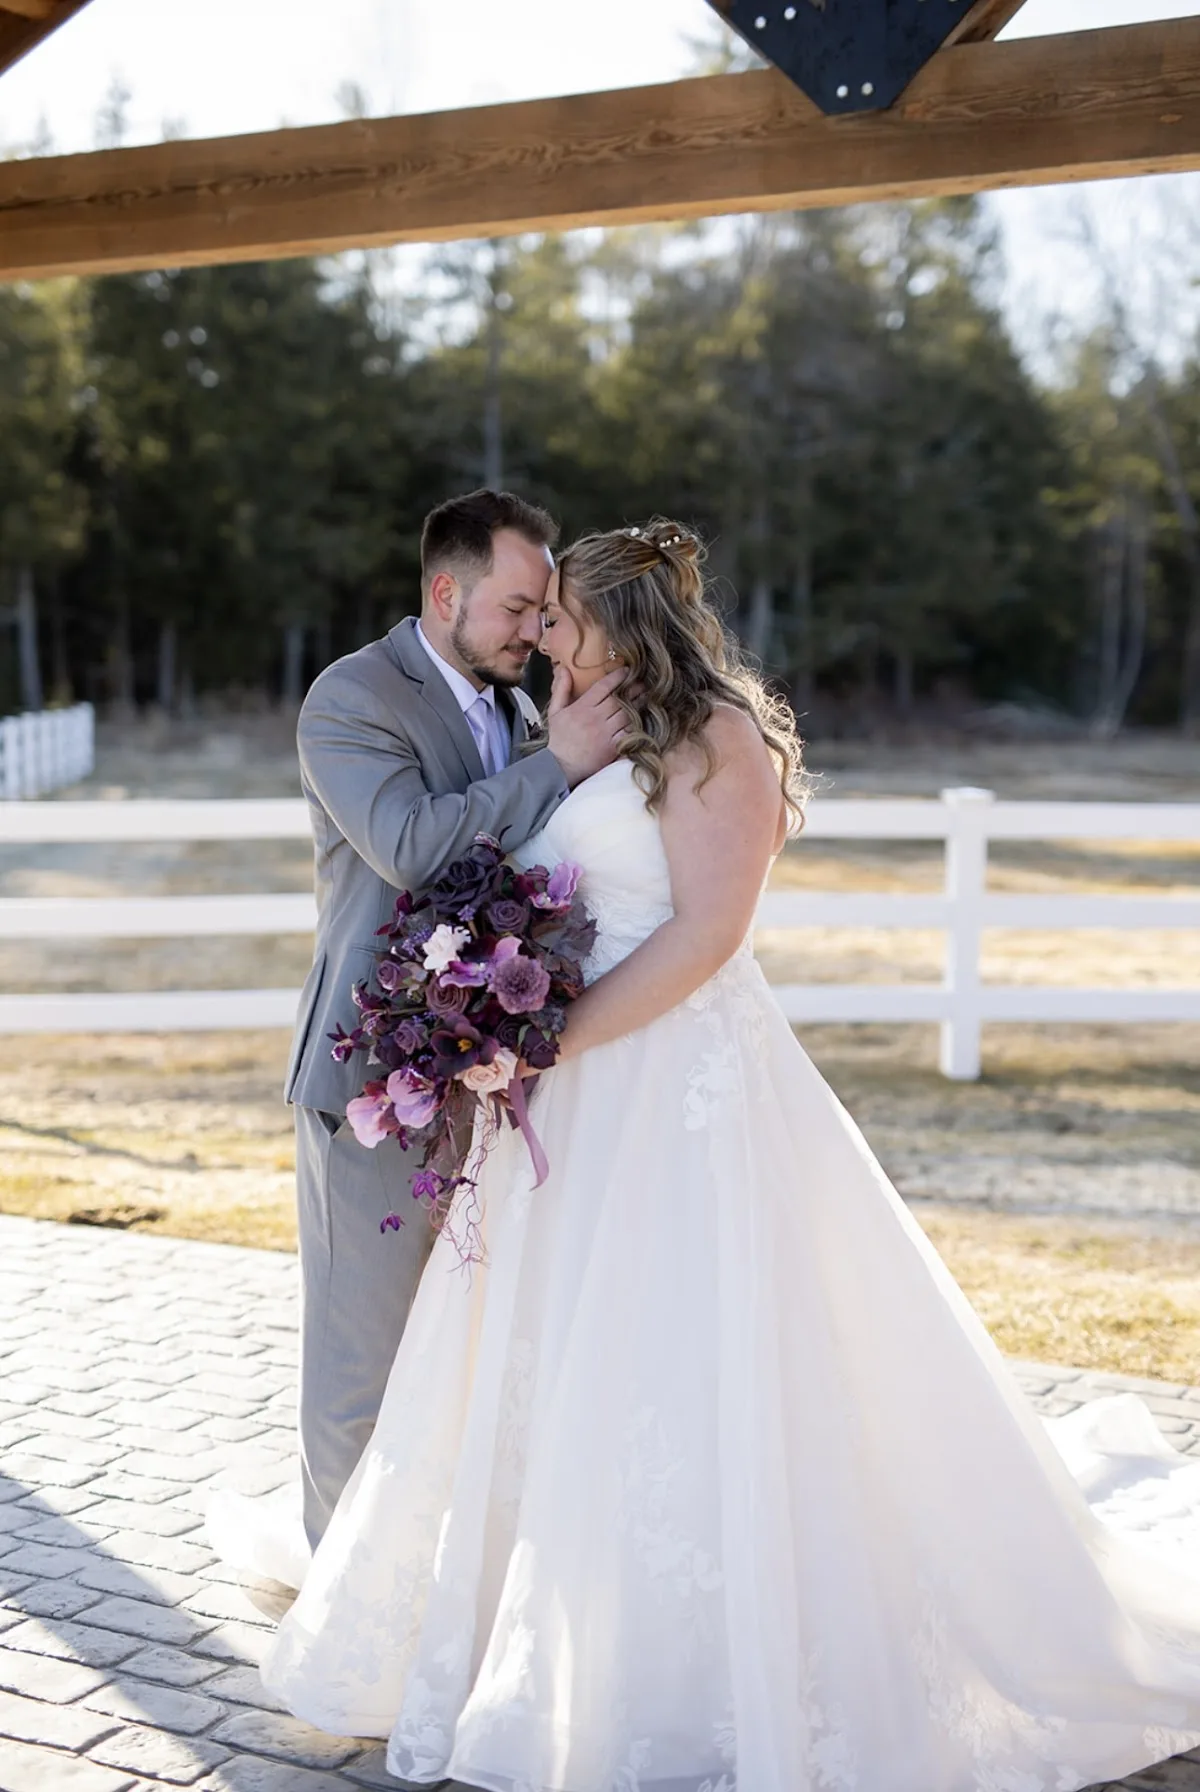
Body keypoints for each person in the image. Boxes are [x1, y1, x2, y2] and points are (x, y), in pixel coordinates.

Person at [258, 520, 1200, 1790]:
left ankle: (700, 1659)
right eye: (533, 619)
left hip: (679, 1098)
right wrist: (505, 1019)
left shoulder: (719, 740)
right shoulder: (584, 743)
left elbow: (706, 937)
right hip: (573, 1117)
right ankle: (527, 1629)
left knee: (696, 1368)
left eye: (562, 622)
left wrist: (547, 1040)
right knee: (551, 1370)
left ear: (617, 628)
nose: (543, 640)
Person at [284, 488, 628, 1554]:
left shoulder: (526, 710)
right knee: (363, 1360)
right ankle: (334, 1605)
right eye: (519, 606)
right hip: (373, 1076)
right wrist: (558, 765)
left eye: (545, 609)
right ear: (446, 592)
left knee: (462, 1357)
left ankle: (429, 1597)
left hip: (488, 1079)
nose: (537, 628)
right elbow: (411, 846)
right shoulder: (353, 698)